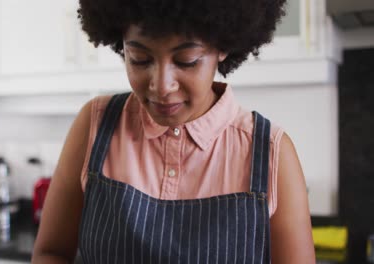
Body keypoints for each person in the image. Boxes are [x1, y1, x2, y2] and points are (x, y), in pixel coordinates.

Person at [32, 0, 315, 263]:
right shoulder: (95, 124)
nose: (161, 85)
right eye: (140, 59)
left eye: (186, 60)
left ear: (223, 46)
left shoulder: (271, 153)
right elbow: (51, 252)